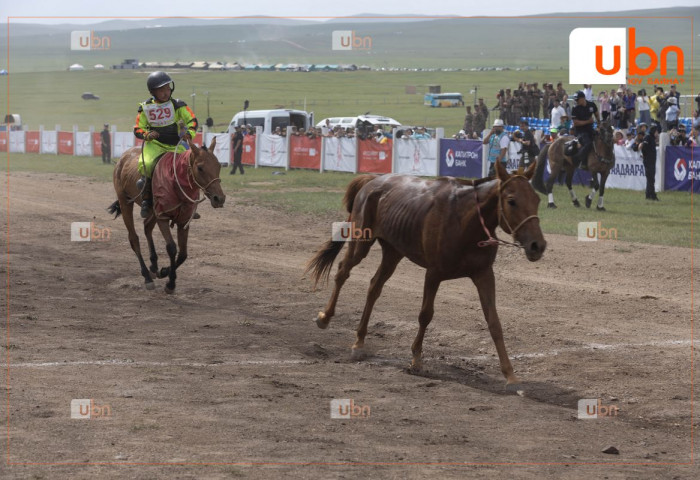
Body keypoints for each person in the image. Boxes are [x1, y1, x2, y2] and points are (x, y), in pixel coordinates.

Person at [134, 71, 198, 218]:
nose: (166, 92)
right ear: (152, 92)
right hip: (155, 145)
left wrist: (189, 133)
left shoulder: (178, 105)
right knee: (147, 164)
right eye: (161, 90)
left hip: (177, 145)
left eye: (168, 88)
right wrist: (147, 135)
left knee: (191, 164)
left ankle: (192, 201)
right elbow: (138, 128)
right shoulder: (145, 108)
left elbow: (192, 120)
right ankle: (146, 199)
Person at [570, 90, 599, 170]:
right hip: (580, 132)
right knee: (588, 143)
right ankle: (581, 161)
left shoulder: (592, 105)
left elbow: (597, 114)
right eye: (575, 100)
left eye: (577, 99)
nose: (576, 101)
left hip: (590, 129)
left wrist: (599, 125)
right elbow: (575, 123)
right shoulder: (575, 108)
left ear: (583, 98)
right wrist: (588, 121)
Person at [632, 125, 659, 201]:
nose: (657, 133)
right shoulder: (648, 137)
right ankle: (653, 195)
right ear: (654, 131)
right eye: (657, 132)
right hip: (649, 161)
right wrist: (644, 154)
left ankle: (648, 194)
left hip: (651, 161)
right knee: (651, 179)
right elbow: (643, 146)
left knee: (650, 179)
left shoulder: (652, 138)